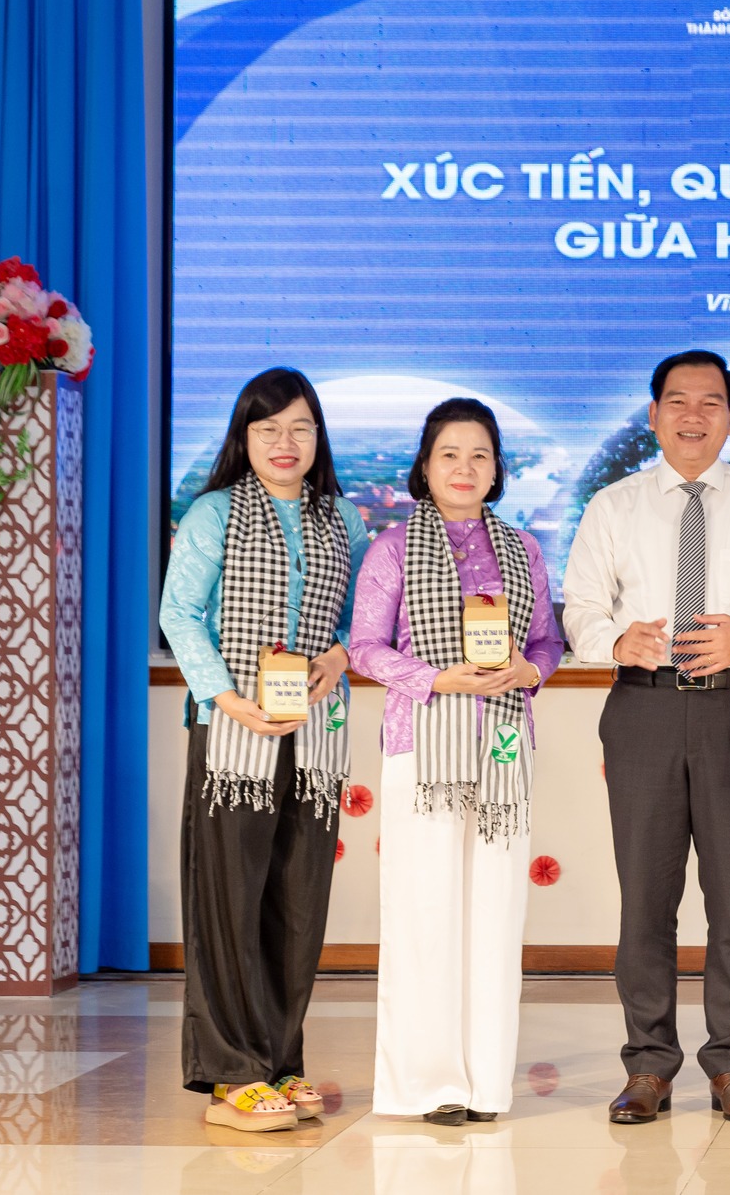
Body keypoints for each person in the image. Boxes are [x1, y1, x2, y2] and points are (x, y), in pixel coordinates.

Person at [563, 350, 730, 1125]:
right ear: (653, 415)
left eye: (710, 402)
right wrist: (615, 641)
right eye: (677, 401)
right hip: (642, 708)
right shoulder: (614, 505)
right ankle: (647, 1065)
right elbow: (580, 608)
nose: (693, 415)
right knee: (646, 895)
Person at [158, 367, 368, 1132]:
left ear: (319, 437)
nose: (285, 442)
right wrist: (225, 696)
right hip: (232, 734)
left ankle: (281, 1060)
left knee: (297, 902)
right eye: (268, 428)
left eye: (300, 427)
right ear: (243, 437)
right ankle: (230, 1073)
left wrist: (339, 655)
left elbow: (362, 618)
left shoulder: (344, 520)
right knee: (228, 901)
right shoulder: (213, 512)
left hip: (315, 734)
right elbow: (178, 613)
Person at [349, 397, 562, 1125]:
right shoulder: (391, 548)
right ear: (425, 465)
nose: (465, 468)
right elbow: (364, 648)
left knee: (495, 912)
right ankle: (429, 1084)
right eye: (450, 454)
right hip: (422, 748)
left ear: (497, 468)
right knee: (425, 911)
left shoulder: (523, 548)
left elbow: (546, 642)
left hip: (502, 748)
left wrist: (528, 672)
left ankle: (485, 1084)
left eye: (480, 455)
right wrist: (437, 678)